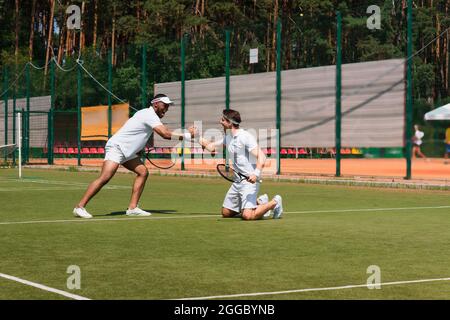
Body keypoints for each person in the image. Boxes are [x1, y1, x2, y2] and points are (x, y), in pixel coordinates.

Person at [73, 94, 197, 218]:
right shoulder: (149, 115)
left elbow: (140, 134)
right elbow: (165, 134)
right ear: (155, 104)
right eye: (164, 105)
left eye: (168, 106)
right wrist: (188, 135)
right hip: (117, 147)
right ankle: (80, 207)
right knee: (105, 177)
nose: (166, 108)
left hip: (127, 151)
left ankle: (132, 208)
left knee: (143, 172)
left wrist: (138, 149)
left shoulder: (149, 115)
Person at [198, 109, 283, 220]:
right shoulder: (228, 138)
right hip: (237, 181)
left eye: (223, 120)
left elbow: (262, 156)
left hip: (250, 181)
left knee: (247, 216)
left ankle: (275, 202)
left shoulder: (245, 137)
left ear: (230, 123)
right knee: (226, 213)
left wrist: (256, 174)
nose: (220, 122)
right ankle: (260, 202)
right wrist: (196, 136)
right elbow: (211, 147)